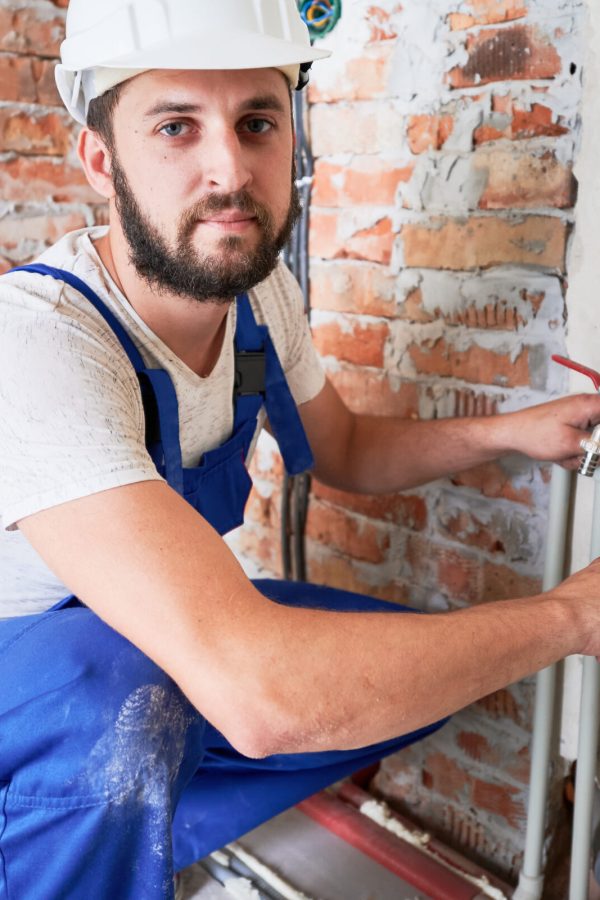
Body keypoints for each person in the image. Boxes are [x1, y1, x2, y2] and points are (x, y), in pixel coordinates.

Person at [0, 1, 599, 897]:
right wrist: (573, 619)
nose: (229, 170)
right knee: (134, 702)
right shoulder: (40, 341)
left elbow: (346, 448)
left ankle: (127, 839)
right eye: (175, 126)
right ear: (100, 159)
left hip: (129, 653)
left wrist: (512, 431)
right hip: (36, 670)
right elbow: (262, 696)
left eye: (257, 123)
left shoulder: (259, 293)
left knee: (396, 663)